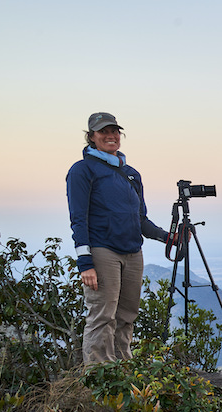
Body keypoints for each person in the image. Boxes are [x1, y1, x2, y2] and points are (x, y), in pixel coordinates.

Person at [66, 112, 175, 363]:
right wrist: (86, 263)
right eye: (103, 131)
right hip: (103, 249)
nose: (110, 136)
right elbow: (78, 218)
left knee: (127, 314)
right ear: (91, 137)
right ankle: (97, 376)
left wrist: (168, 237)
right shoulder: (82, 170)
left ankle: (123, 369)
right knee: (102, 315)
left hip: (133, 251)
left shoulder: (131, 174)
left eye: (114, 131)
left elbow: (140, 220)